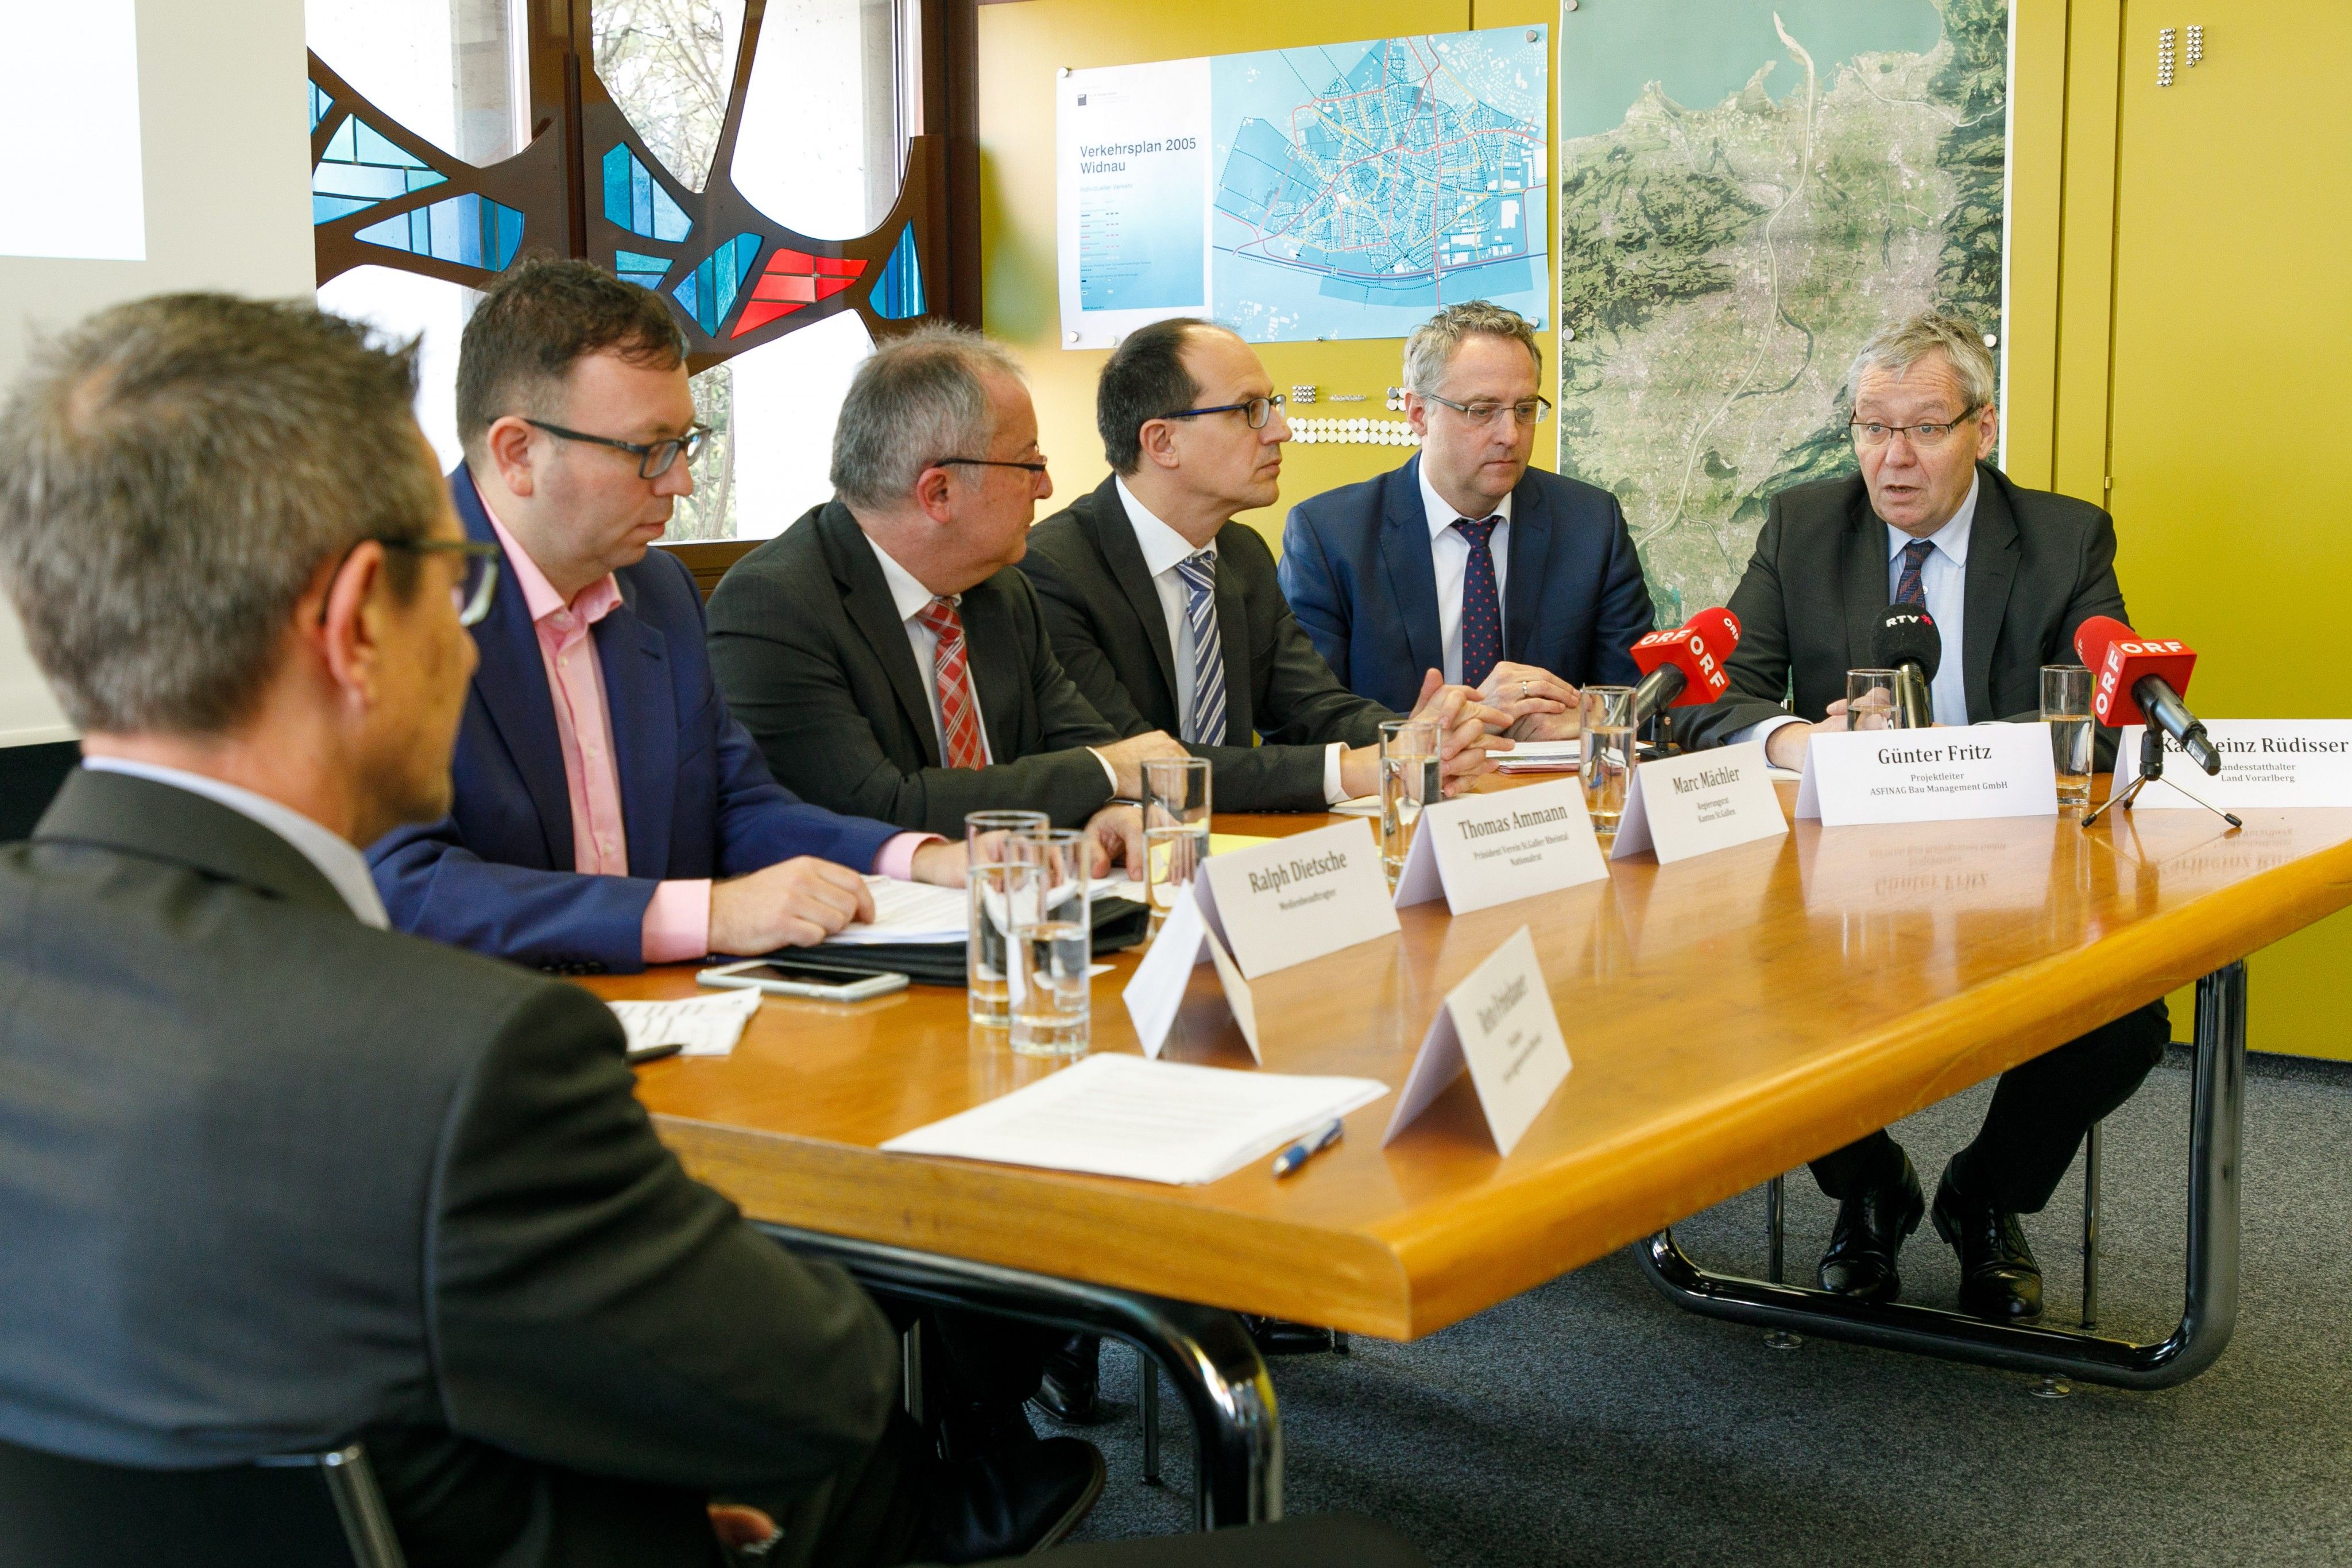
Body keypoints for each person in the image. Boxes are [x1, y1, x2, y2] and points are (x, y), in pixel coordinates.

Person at [0, 293, 1424, 1568]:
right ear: (363, 616)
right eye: (455, 575)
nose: (470, 614)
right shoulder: (469, 1069)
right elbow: (819, 1383)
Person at [1674, 310, 2169, 1322]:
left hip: (2016, 865)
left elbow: (2107, 724)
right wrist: (1800, 742)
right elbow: (1714, 697)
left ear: (1983, 429)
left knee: (2125, 1018)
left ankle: (1984, 1195)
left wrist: (1943, 761)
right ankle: (1866, 1186)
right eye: (1869, 427)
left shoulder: (2064, 537)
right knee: (1734, 985)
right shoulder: (1804, 528)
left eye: (1925, 429)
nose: (1891, 459)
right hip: (1831, 882)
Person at [368, 261, 964, 975]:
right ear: (517, 453)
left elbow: (738, 806)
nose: (680, 480)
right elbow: (408, 886)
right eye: (647, 450)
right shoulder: (389, 604)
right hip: (484, 1038)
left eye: (685, 443)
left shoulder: (660, 591)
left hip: (680, 1021)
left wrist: (921, 858)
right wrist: (703, 914)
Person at [706, 324, 1183, 855]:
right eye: (1030, 465)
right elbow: (877, 809)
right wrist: (1103, 774)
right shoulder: (774, 608)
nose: (1046, 487)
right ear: (939, 491)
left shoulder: (1002, 592)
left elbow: (1084, 747)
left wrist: (1109, 810)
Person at [1019, 317, 1513, 814]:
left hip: (1238, 849)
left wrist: (1417, 735)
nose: (1282, 430)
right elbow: (1134, 763)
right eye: (1250, 410)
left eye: (1272, 406)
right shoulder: (1053, 570)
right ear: (1162, 442)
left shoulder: (1242, 553)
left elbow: (1308, 706)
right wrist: (1365, 766)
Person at [1278, 301, 1653, 721]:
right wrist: (1441, 729)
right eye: (1482, 411)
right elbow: (1302, 719)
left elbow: (1640, 693)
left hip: (1549, 782)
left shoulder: (1590, 524)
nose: (1510, 435)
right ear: (1419, 414)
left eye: (1525, 410)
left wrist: (1589, 715)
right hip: (1408, 781)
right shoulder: (1329, 537)